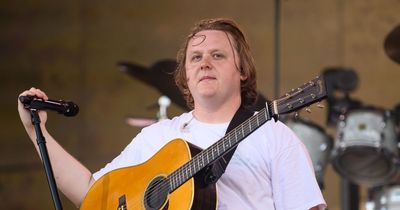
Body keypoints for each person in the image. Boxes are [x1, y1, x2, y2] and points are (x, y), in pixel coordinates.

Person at [18, 18, 327, 209]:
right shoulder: (158, 137)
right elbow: (91, 194)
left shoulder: (274, 137)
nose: (205, 62)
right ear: (185, 76)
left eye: (217, 55)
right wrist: (38, 132)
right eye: (195, 58)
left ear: (242, 71)